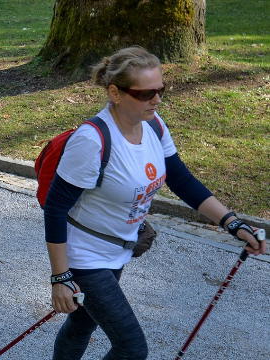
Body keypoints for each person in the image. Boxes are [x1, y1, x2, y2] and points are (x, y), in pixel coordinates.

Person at [43, 46, 266, 360]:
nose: (157, 99)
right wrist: (61, 277)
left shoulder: (153, 125)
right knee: (132, 348)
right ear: (115, 93)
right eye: (146, 93)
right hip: (85, 256)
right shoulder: (92, 141)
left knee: (82, 324)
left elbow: (181, 180)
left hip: (117, 248)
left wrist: (233, 223)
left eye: (161, 90)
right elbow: (55, 208)